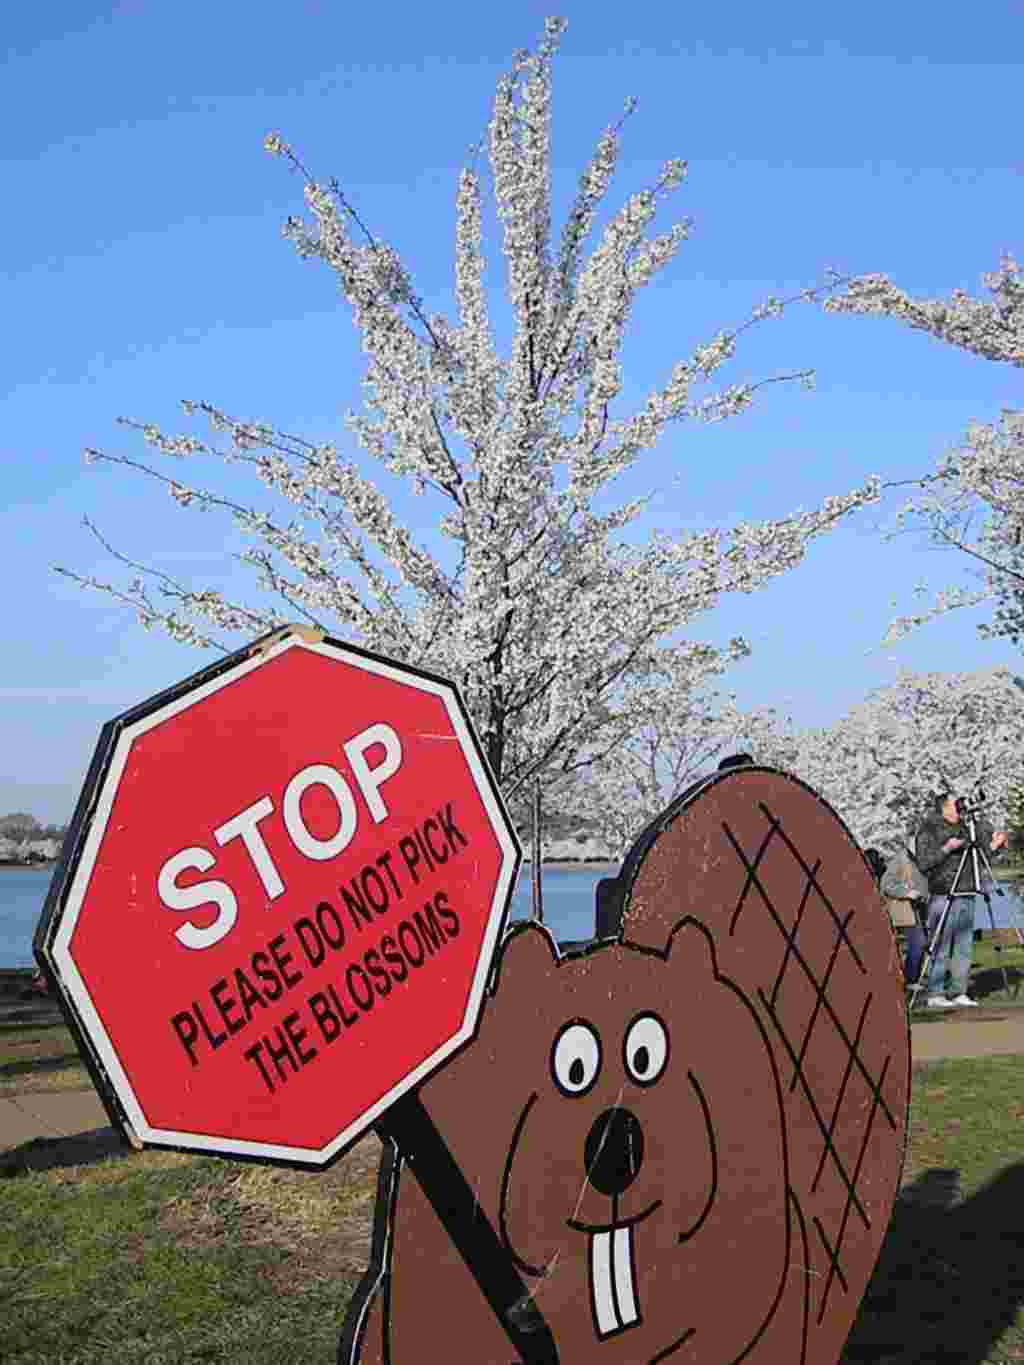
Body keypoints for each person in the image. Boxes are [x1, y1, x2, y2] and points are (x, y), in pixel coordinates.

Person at [913, 792, 1008, 1008]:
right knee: (942, 945)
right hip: (943, 892)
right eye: (956, 804)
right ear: (944, 807)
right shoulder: (929, 829)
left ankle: (959, 991)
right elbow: (923, 863)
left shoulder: (966, 829)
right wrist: (947, 848)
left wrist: (993, 846)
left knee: (964, 946)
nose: (960, 807)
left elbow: (978, 859)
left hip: (966, 890)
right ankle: (935, 993)